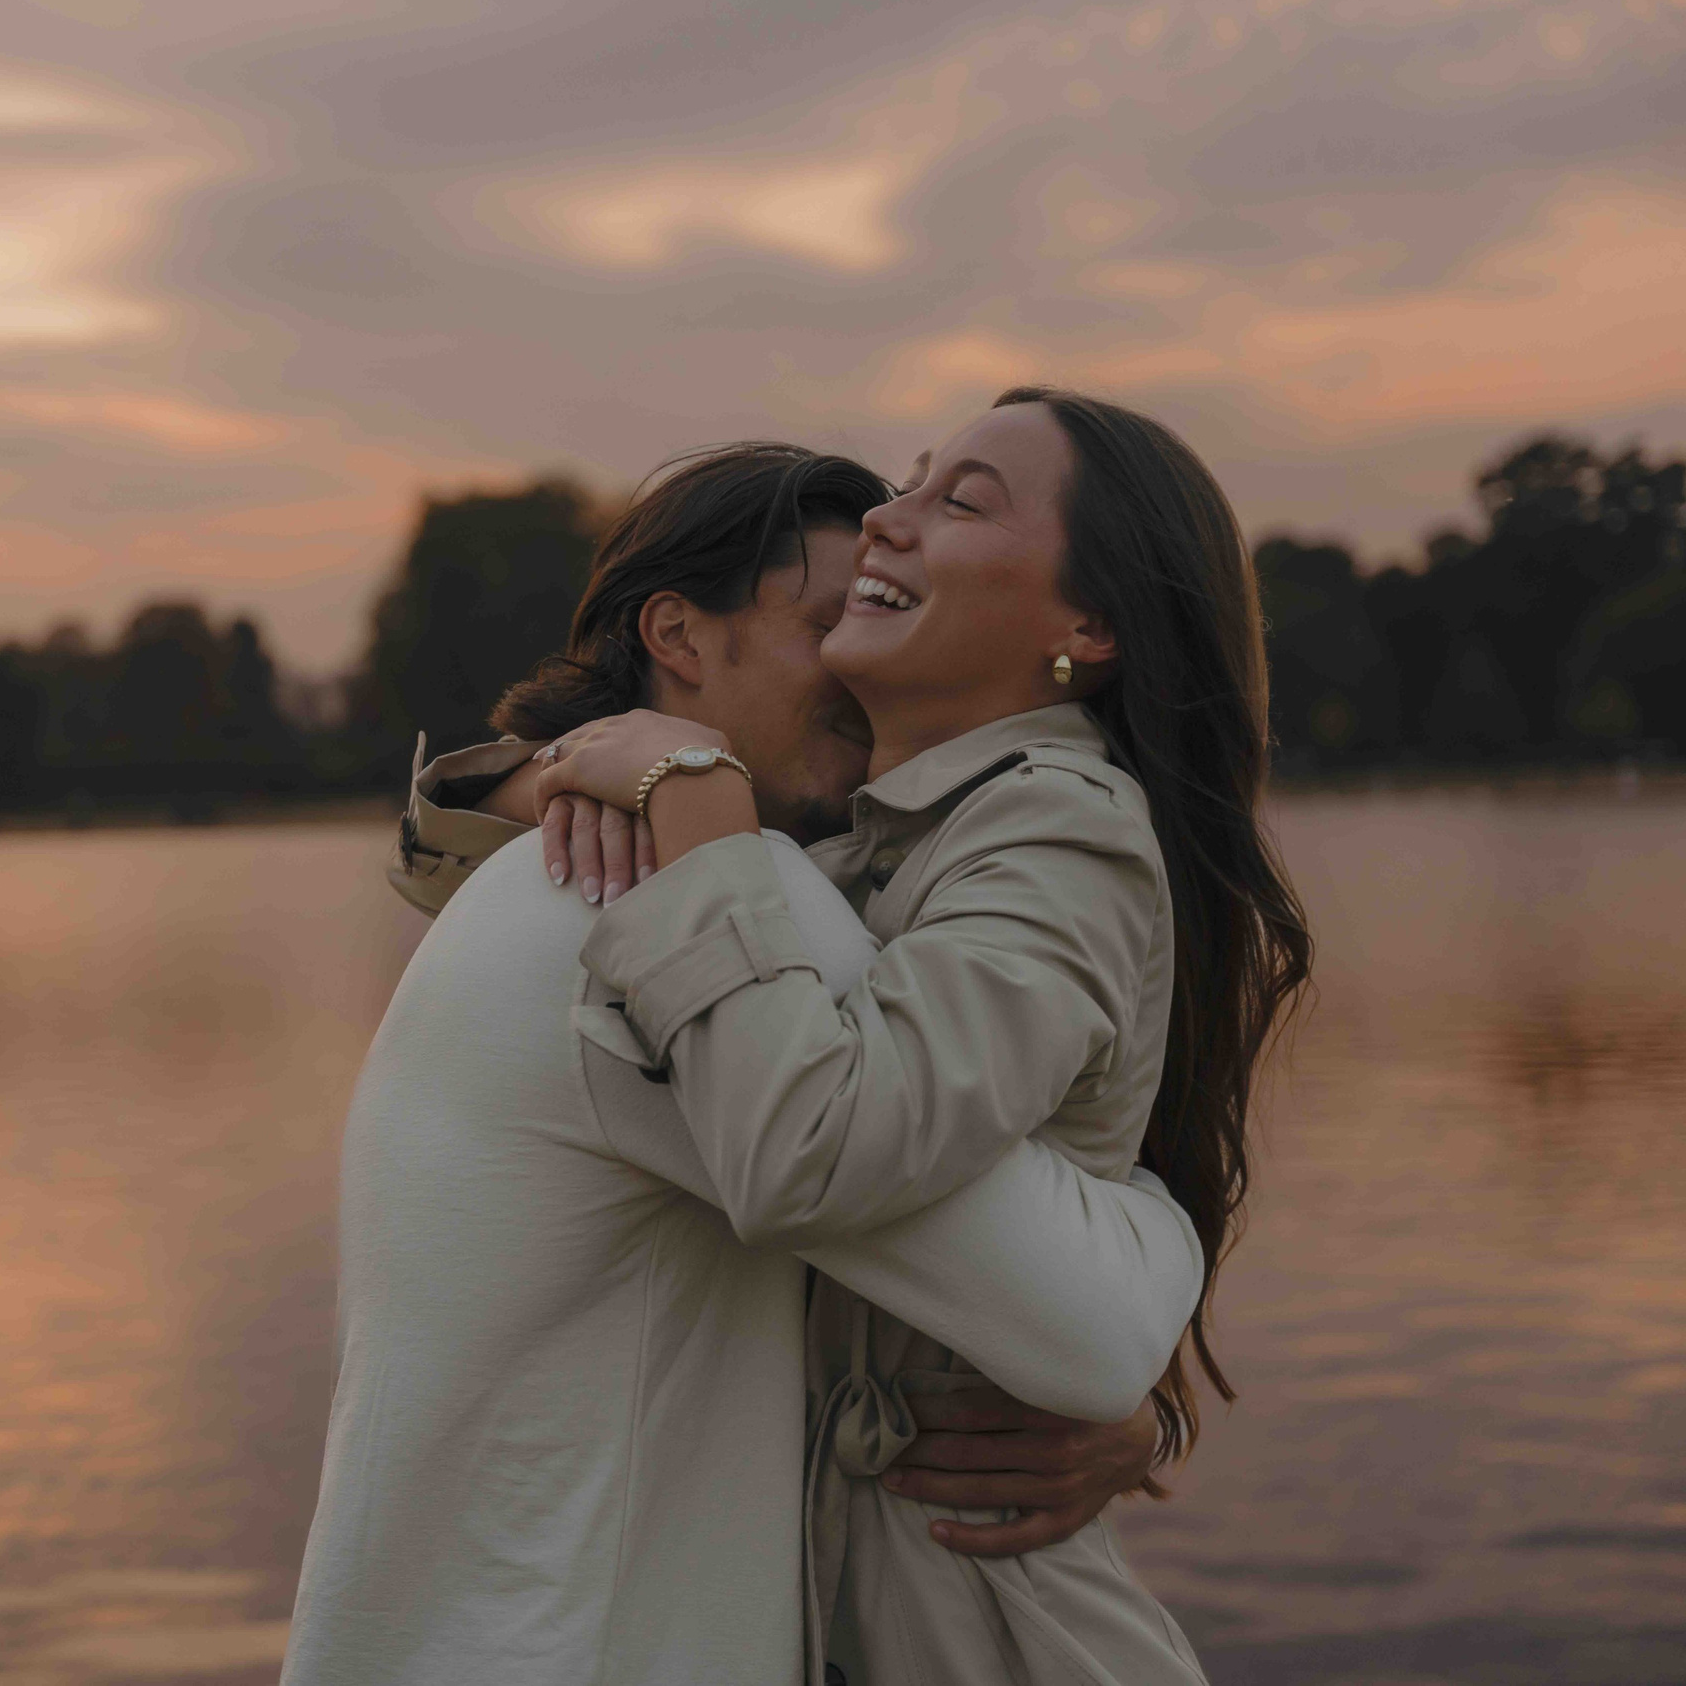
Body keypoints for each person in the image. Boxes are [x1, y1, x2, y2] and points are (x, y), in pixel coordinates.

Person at [281, 445, 1210, 1686]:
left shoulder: (548, 880)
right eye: (828, 620)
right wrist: (1153, 1230)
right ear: (678, 634)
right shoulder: (691, 898)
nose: (852, 663)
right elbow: (1084, 1324)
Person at [528, 392, 1313, 1682]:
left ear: (1089, 626)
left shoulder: (1058, 830)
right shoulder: (884, 831)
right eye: (912, 480)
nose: (885, 520)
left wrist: (699, 807)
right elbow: (443, 840)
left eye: (960, 501)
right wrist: (588, 776)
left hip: (989, 1632)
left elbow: (808, 1149)